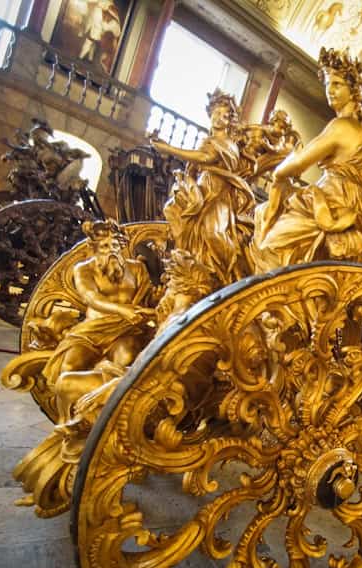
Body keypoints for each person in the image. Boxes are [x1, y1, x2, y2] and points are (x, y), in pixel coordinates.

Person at [253, 47, 362, 270]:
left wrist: (280, 170)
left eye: (337, 84)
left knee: (271, 247)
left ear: (353, 88)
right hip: (352, 207)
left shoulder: (342, 127)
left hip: (332, 203)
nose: (329, 90)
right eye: (327, 84)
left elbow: (299, 163)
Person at [41, 219, 153, 422]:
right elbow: (91, 298)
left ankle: (110, 416)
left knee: (126, 358)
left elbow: (146, 299)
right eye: (105, 246)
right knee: (69, 366)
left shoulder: (137, 269)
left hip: (127, 330)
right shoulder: (83, 269)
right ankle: (68, 422)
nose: (111, 250)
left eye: (115, 246)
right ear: (94, 248)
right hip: (92, 331)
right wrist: (122, 310)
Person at [150, 91, 256, 284]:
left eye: (224, 115)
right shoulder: (207, 141)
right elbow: (198, 164)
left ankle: (224, 278)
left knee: (213, 233)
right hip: (202, 189)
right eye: (215, 113)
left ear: (229, 121)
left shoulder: (227, 144)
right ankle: (187, 267)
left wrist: (169, 149)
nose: (218, 118)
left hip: (219, 194)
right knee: (183, 222)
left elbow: (205, 158)